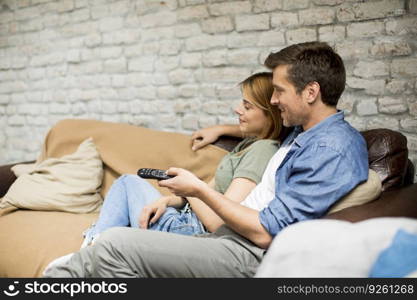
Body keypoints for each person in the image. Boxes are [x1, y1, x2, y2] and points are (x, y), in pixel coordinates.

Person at [44, 41, 369, 278]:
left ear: (310, 93)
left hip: (249, 253)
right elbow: (265, 134)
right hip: (228, 237)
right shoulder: (305, 132)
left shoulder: (332, 148)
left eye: (279, 91)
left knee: (115, 244)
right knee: (114, 247)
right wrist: (225, 129)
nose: (273, 100)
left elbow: (266, 233)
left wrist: (196, 190)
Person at [43, 72, 286, 273]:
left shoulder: (262, 150)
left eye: (247, 106)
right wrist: (168, 200)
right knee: (130, 182)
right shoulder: (251, 143)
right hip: (185, 218)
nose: (237, 109)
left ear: (270, 113)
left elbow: (217, 222)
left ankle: (89, 250)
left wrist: (190, 191)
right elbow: (210, 193)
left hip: (190, 231)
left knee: (128, 183)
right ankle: (92, 248)